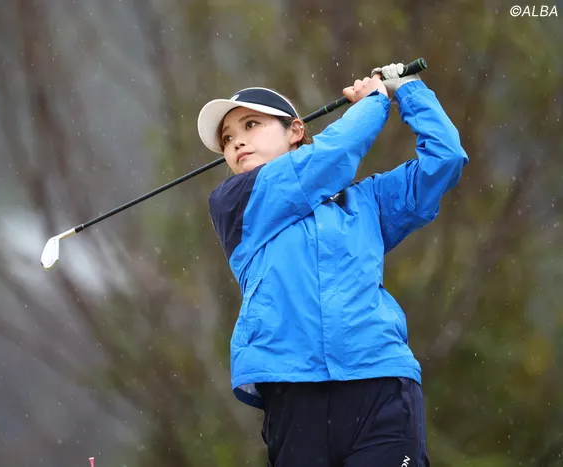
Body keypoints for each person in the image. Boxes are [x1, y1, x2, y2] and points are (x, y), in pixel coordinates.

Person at [196, 63, 469, 467]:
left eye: (251, 125)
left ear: (295, 130)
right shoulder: (235, 202)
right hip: (295, 397)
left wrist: (409, 92)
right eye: (227, 138)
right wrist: (374, 102)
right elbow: (333, 155)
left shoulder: (366, 202)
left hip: (380, 388)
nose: (237, 142)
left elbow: (445, 160)